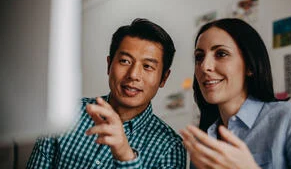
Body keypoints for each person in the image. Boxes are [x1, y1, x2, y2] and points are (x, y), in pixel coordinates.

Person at [27, 18, 186, 168]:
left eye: (147, 66)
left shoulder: (170, 148)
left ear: (164, 78)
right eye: (125, 61)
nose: (133, 74)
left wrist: (125, 156)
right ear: (109, 65)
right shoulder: (67, 112)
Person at [180, 18, 291, 169]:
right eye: (199, 57)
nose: (204, 66)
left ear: (249, 66)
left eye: (221, 54)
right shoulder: (203, 143)